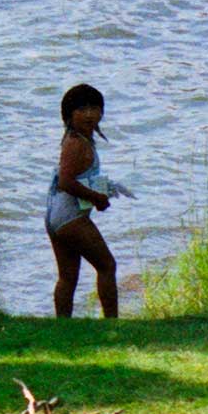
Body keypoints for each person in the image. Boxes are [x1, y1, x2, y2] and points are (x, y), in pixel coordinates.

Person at [45, 82, 122, 318]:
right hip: (71, 217)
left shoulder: (76, 139)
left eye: (94, 108)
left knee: (67, 276)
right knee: (107, 265)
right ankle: (112, 323)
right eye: (82, 109)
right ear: (69, 115)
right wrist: (97, 197)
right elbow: (66, 182)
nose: (89, 114)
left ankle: (63, 328)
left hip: (55, 216)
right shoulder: (76, 144)